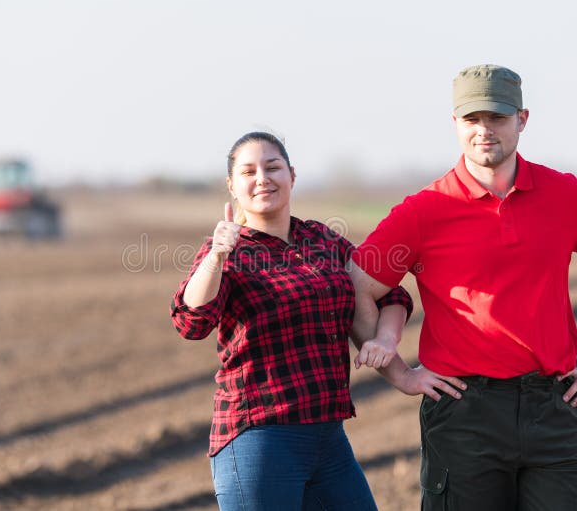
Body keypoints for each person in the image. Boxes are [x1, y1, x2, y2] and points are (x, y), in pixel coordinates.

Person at [349, 64, 577, 510]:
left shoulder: (568, 196)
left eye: (497, 118)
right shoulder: (423, 211)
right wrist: (399, 373)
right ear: (455, 124)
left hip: (555, 406)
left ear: (522, 120)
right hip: (464, 413)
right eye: (472, 119)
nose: (484, 130)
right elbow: (356, 287)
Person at [170, 131, 413, 511]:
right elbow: (191, 322)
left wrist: (385, 338)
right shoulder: (228, 252)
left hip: (328, 438)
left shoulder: (322, 239)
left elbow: (389, 292)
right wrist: (216, 256)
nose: (262, 178)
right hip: (260, 439)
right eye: (248, 171)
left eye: (272, 167)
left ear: (292, 175)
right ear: (232, 186)